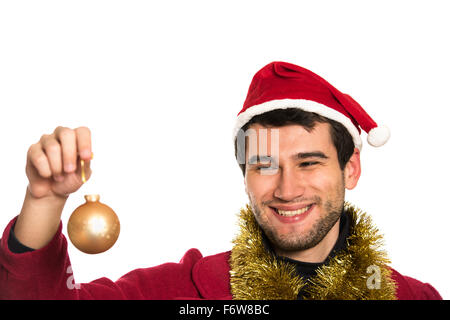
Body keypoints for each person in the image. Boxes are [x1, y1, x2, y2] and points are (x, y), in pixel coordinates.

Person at [0, 61, 442, 300]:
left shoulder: (412, 299)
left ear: (351, 169)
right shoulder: (184, 290)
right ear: (245, 175)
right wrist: (42, 200)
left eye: (308, 163)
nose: (287, 189)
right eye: (264, 165)